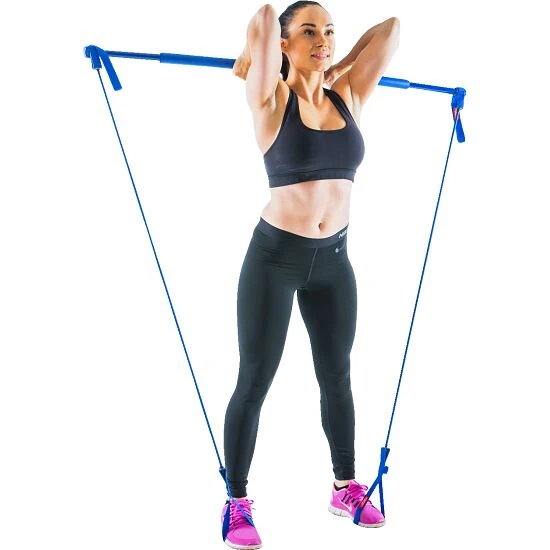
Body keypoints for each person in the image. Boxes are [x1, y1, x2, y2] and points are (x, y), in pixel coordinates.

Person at [222, 2, 399, 548]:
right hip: (274, 260)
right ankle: (236, 502)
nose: (322, 38)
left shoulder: (349, 96)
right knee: (255, 379)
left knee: (337, 376)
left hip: (335, 260)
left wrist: (336, 64)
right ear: (283, 44)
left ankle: (345, 487)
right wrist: (257, 50)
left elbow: (391, 31)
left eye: (328, 31)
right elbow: (264, 15)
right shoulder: (270, 100)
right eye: (308, 32)